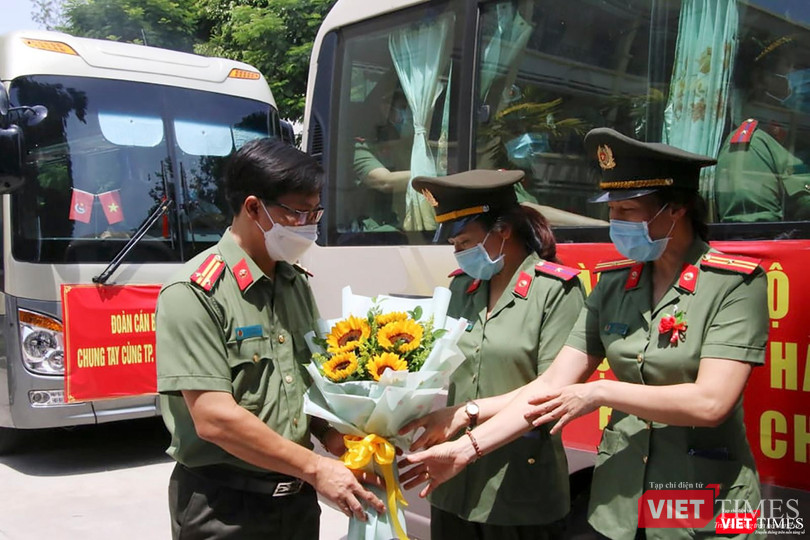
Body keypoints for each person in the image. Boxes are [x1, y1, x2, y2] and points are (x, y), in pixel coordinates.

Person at [403, 128, 768, 540]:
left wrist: (599, 392)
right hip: (621, 496)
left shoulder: (734, 284)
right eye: (612, 212)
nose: (617, 223)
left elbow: (711, 402)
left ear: (676, 209)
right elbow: (550, 386)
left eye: (629, 211)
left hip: (703, 494)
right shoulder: (614, 285)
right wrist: (465, 447)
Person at [155, 138, 385, 539]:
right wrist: (315, 467)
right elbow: (213, 418)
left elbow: (303, 387)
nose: (309, 226)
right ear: (253, 208)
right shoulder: (194, 292)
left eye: (316, 212)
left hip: (295, 503)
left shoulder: (294, 284)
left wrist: (336, 439)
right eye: (299, 213)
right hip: (224, 509)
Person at [398, 169, 585, 540]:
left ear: (503, 230)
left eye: (465, 241)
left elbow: (552, 391)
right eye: (454, 244)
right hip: (451, 483)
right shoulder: (462, 287)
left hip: (517, 487)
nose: (459, 253)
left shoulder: (556, 291)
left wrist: (466, 413)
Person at [715, 36, 810, 222]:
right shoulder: (751, 147)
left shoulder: (795, 136)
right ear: (761, 79)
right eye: (790, 66)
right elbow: (754, 236)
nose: (801, 76)